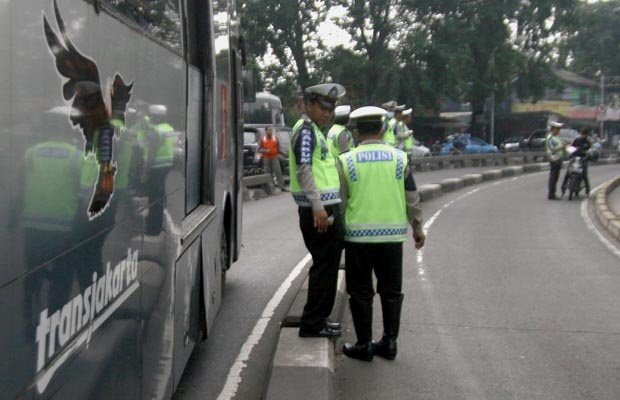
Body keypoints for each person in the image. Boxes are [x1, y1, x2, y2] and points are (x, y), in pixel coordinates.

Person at [338, 106, 426, 361]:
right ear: (383, 128)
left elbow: (341, 203)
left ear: (356, 131)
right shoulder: (400, 158)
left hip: (358, 239)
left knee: (361, 292)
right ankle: (389, 343)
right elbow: (412, 197)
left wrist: (339, 233)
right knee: (391, 291)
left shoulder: (346, 160)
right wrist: (418, 228)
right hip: (391, 238)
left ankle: (364, 345)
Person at [289, 82, 346, 338]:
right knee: (324, 266)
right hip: (320, 210)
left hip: (324, 207)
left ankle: (320, 318)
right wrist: (318, 207)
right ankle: (312, 323)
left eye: (330, 109)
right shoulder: (307, 132)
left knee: (328, 263)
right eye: (322, 108)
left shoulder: (316, 131)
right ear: (309, 104)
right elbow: (304, 169)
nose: (327, 113)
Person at [561, 127, 592, 197]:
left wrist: (588, 156)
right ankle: (563, 190)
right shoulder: (576, 140)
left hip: (583, 159)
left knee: (584, 175)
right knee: (568, 174)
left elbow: (590, 151)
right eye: (582, 134)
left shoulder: (588, 142)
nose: (582, 135)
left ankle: (587, 190)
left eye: (584, 134)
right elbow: (571, 148)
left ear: (586, 135)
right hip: (574, 158)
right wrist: (569, 152)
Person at [258, 125, 288, 191]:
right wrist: (266, 150)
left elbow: (278, 148)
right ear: (266, 131)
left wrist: (283, 152)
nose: (270, 131)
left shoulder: (275, 138)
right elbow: (258, 149)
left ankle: (282, 187)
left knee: (278, 171)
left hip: (274, 157)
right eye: (269, 130)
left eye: (271, 130)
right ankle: (270, 188)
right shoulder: (263, 139)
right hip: (266, 158)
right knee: (268, 173)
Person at [546, 121, 567, 200]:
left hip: (558, 159)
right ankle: (551, 194)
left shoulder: (556, 138)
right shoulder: (550, 138)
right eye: (557, 129)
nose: (558, 131)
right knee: (553, 177)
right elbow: (552, 149)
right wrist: (561, 147)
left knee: (556, 177)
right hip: (554, 159)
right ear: (553, 129)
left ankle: (553, 193)